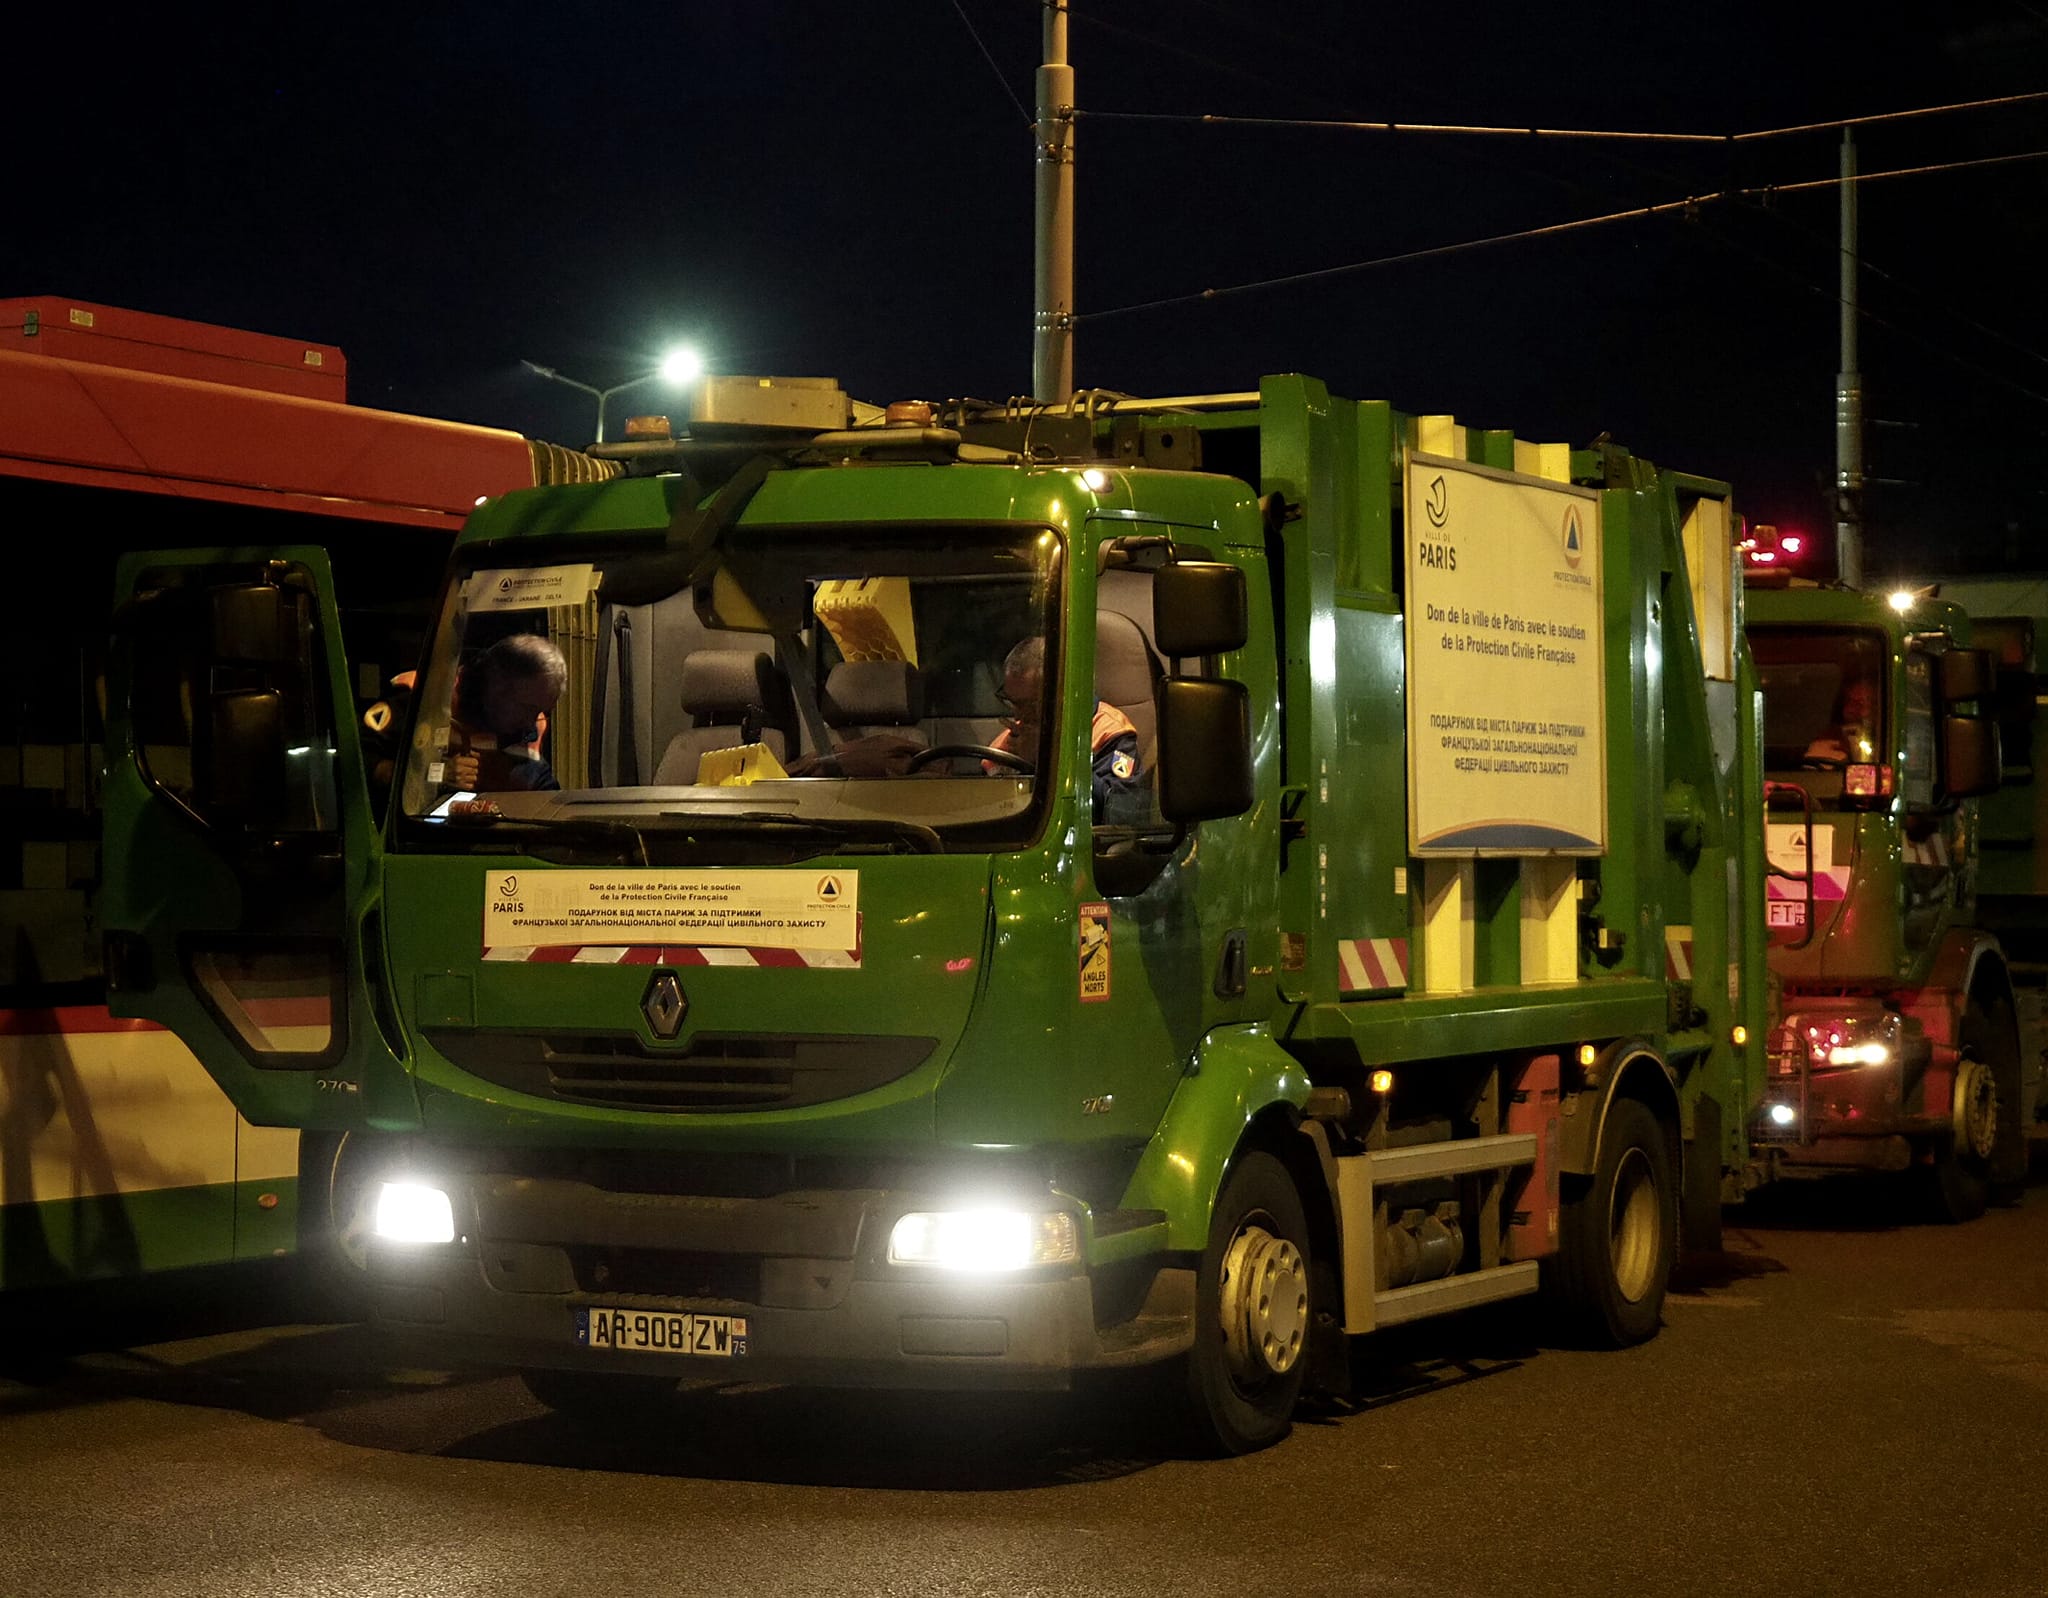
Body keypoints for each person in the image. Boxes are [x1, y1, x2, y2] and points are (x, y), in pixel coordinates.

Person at [986, 636, 1145, 816]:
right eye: (1013, 702)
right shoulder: (1008, 740)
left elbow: (1120, 812)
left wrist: (1048, 757)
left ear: (1063, 692)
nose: (1018, 715)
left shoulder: (1108, 732)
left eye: (1030, 704)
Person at [448, 633, 568, 791]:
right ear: (496, 688)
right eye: (527, 708)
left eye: (539, 711)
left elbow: (537, 784)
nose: (530, 722)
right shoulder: (425, 699)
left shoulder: (533, 725)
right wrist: (439, 775)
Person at [1805, 674, 1878, 767]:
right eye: (1849, 701)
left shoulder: (1888, 749)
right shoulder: (1826, 743)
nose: (1852, 709)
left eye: (1861, 703)